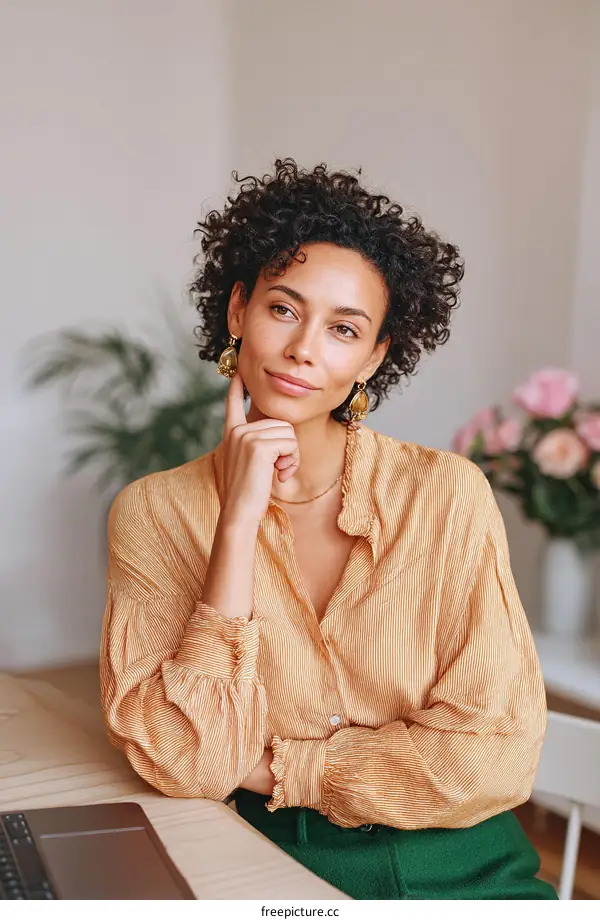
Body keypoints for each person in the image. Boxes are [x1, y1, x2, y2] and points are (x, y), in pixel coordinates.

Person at [100, 158, 558, 900]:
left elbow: (492, 761)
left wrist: (274, 767)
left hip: (466, 866)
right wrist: (239, 524)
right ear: (238, 310)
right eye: (283, 309)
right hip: (271, 865)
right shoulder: (155, 511)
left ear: (374, 356)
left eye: (343, 329)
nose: (304, 348)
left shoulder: (445, 495)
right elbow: (185, 761)